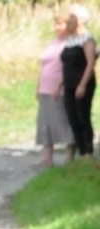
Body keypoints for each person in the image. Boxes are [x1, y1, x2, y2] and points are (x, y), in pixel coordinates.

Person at [36, 13, 74, 167]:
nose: (57, 27)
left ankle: (70, 155)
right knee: (44, 122)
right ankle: (47, 157)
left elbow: (70, 68)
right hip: (45, 88)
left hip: (60, 89)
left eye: (61, 24)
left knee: (62, 121)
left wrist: (59, 85)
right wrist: (38, 87)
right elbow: (44, 66)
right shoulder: (52, 43)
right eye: (56, 24)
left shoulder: (71, 44)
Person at [59, 4, 96, 160]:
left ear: (81, 20)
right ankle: (81, 151)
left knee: (82, 116)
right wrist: (59, 84)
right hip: (69, 83)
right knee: (72, 117)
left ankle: (88, 151)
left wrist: (82, 85)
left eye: (72, 18)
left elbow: (90, 62)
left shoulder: (87, 38)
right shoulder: (69, 40)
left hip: (83, 83)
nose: (69, 21)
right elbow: (67, 65)